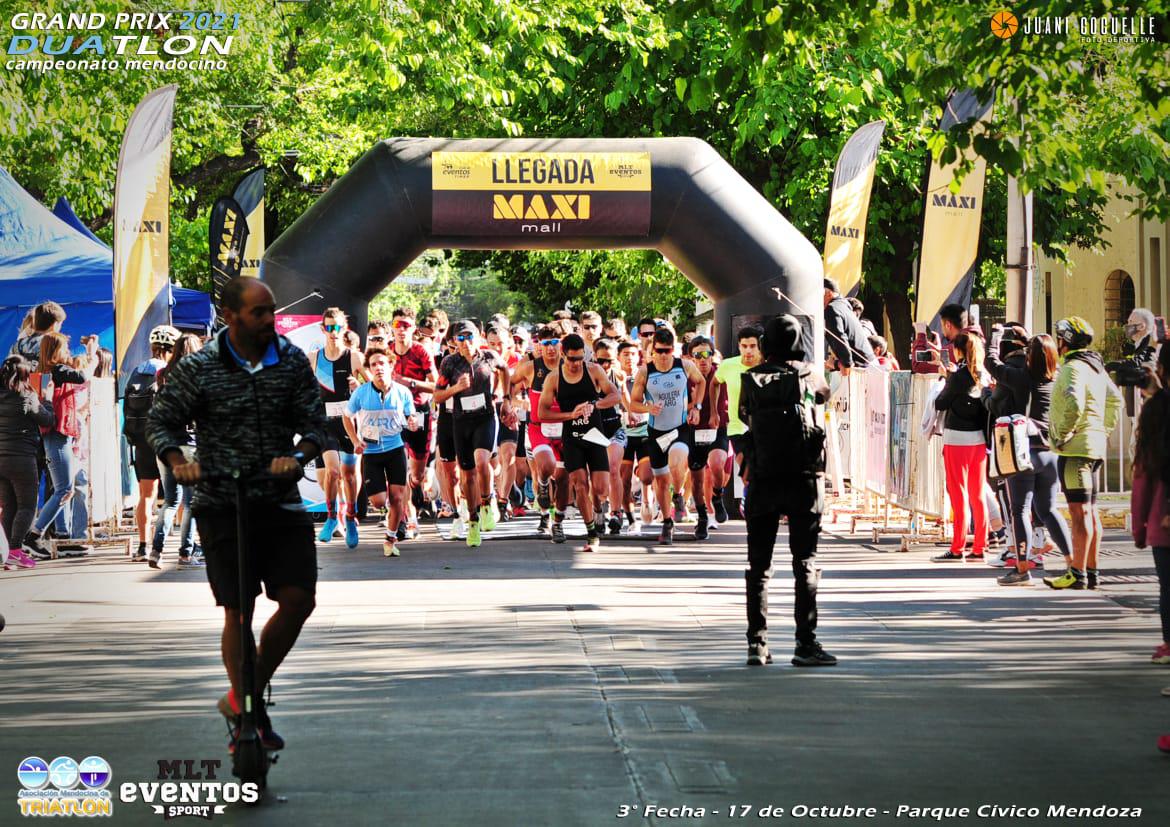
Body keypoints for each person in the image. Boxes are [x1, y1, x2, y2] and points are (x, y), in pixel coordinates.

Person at [147, 276, 327, 755]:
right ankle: (251, 711)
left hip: (279, 498)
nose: (270, 320)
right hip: (221, 501)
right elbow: (159, 421)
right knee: (238, 609)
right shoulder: (201, 367)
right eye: (259, 313)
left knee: (298, 599)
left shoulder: (289, 361)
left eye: (272, 311)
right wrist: (178, 460)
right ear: (230, 316)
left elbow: (315, 423)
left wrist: (301, 455)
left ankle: (243, 694)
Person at [739, 314, 835, 667]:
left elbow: (745, 415)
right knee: (805, 561)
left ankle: (757, 644)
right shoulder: (809, 373)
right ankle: (805, 643)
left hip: (763, 478)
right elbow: (824, 397)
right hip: (804, 478)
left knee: (758, 565)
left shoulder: (751, 377)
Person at [984, 328, 1073, 585]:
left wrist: (995, 337)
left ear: (1029, 358)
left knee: (1020, 509)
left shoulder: (1020, 377)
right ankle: (1072, 564)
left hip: (1023, 451)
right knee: (1048, 510)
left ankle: (1022, 568)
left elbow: (991, 363)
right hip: (1050, 453)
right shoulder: (1058, 381)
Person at [1044, 316, 1123, 590]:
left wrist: (1061, 434)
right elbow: (1116, 400)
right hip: (1094, 447)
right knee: (1091, 512)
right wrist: (1103, 429)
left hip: (1075, 450)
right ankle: (1091, 572)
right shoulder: (1096, 368)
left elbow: (1075, 404)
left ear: (1064, 341)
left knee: (1079, 514)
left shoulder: (1072, 368)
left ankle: (1076, 572)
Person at [434, 321, 514, 548]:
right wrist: (456, 388)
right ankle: (472, 519)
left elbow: (505, 369)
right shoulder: (450, 363)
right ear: (455, 342)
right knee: (466, 475)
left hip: (485, 417)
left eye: (470, 337)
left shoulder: (488, 356)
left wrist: (505, 396)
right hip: (460, 421)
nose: (466, 343)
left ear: (478, 337)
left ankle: (488, 502)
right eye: (461, 338)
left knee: (482, 461)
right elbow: (437, 396)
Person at [538, 333, 619, 551]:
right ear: (563, 355)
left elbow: (615, 396)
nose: (576, 364)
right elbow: (542, 412)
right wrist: (569, 416)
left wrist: (595, 404)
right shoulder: (554, 378)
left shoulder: (593, 370)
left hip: (594, 436)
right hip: (572, 438)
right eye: (572, 359)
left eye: (580, 358)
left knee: (600, 488)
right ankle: (591, 532)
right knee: (580, 485)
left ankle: (598, 510)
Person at [21, 332, 96, 560]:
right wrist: (92, 355)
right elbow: (84, 376)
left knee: (64, 487)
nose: (68, 353)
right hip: (57, 435)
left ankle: (60, 537)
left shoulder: (48, 372)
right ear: (56, 351)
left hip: (54, 435)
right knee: (64, 488)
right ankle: (34, 535)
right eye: (65, 349)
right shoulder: (59, 371)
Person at [629, 326, 705, 546]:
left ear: (674, 350)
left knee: (678, 460)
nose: (663, 356)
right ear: (653, 351)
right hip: (656, 432)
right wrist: (647, 409)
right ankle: (668, 521)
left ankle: (679, 493)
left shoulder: (685, 366)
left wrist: (696, 406)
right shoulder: (645, 372)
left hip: (679, 428)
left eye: (667, 351)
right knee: (661, 481)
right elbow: (634, 403)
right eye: (659, 351)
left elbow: (701, 382)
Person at [344, 345, 419, 557]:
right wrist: (355, 440)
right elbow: (346, 417)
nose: (378, 368)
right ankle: (387, 514)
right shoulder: (361, 393)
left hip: (395, 449)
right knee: (378, 501)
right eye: (374, 364)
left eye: (382, 363)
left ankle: (390, 538)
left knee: (397, 497)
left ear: (390, 366)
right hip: (371, 452)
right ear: (369, 369)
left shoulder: (402, 392)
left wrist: (412, 422)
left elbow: (410, 415)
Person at [123, 324, 180, 561]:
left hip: (142, 440)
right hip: (165, 440)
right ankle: (181, 545)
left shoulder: (138, 370)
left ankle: (142, 547)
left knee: (146, 495)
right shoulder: (169, 371)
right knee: (176, 496)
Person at [931, 333, 989, 562]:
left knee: (958, 494)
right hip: (979, 439)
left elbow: (940, 403)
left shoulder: (957, 377)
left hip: (956, 438)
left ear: (958, 351)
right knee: (978, 494)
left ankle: (957, 547)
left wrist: (946, 378)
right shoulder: (982, 375)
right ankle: (980, 546)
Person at [149, 334, 205, 568]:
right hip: (188, 444)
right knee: (191, 503)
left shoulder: (162, 375)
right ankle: (185, 553)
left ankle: (156, 551)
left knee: (170, 501)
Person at [1131, 345, 1170, 667]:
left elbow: (1143, 476)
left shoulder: (1157, 412)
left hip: (1163, 519)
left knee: (1169, 587)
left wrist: (1140, 525)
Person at [311, 308, 364, 548]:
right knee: (332, 472)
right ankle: (332, 517)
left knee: (350, 476)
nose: (333, 332)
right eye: (329, 328)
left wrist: (358, 384)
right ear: (323, 329)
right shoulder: (313, 357)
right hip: (324, 423)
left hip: (349, 424)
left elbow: (375, 386)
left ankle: (350, 517)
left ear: (345, 329)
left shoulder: (353, 357)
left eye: (338, 328)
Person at [511, 325, 569, 539]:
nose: (551, 348)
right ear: (540, 346)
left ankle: (558, 521)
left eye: (555, 343)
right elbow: (511, 385)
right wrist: (514, 403)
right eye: (546, 344)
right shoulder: (530, 367)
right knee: (545, 467)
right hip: (538, 427)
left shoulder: (569, 366)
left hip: (564, 427)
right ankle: (544, 500)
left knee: (563, 479)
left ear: (560, 344)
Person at [0, 355, 54, 568]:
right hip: (22, 458)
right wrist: (47, 399)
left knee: (9, 506)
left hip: (1, 459)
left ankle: (8, 552)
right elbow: (48, 420)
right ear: (24, 375)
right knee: (27, 506)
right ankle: (14, 550)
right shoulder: (27, 397)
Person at [390, 307, 438, 539]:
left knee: (416, 473)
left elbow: (437, 386)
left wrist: (409, 383)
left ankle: (416, 489)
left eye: (406, 326)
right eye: (398, 325)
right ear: (393, 327)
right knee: (397, 466)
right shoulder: (386, 352)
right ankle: (404, 519)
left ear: (413, 329)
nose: (401, 330)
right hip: (392, 414)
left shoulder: (421, 352)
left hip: (419, 412)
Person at [686, 336, 728, 540]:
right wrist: (692, 404)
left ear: (712, 356)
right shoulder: (685, 378)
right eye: (698, 355)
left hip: (717, 429)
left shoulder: (720, 375)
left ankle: (718, 495)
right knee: (696, 480)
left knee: (717, 463)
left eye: (707, 354)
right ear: (691, 358)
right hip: (693, 431)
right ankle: (702, 517)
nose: (703, 359)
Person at [716, 325, 763, 511]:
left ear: (760, 346)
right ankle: (748, 499)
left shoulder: (766, 365)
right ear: (739, 346)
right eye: (744, 346)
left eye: (752, 346)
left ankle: (756, 500)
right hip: (737, 426)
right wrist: (714, 410)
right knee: (746, 467)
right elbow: (714, 383)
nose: (748, 351)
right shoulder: (728, 365)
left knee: (761, 468)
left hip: (762, 427)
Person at [822, 278, 874, 374]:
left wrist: (846, 364)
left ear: (829, 293)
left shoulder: (832, 308)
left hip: (861, 367)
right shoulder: (843, 305)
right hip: (869, 363)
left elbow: (839, 337)